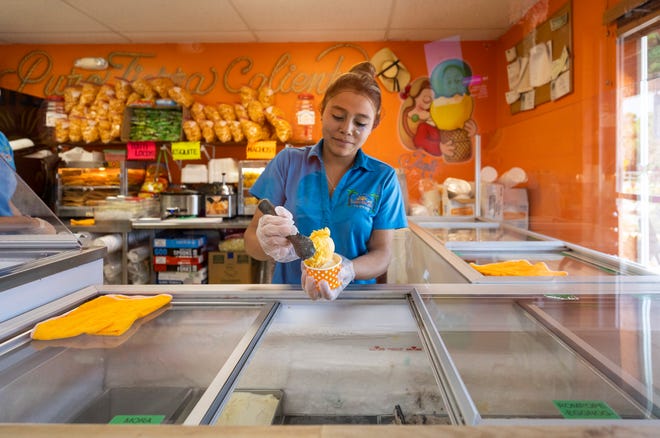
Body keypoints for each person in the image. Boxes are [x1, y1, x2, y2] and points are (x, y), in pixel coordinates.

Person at [244, 62, 408, 300]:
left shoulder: (382, 178)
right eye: (338, 116)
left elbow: (382, 255)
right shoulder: (287, 163)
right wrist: (266, 243)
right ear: (322, 110)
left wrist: (348, 270)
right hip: (291, 300)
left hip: (355, 304)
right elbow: (250, 243)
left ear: (375, 125)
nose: (347, 129)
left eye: (360, 123)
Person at [0, 131, 56, 234]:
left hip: (8, 240)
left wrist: (19, 218)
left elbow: (5, 196)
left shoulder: (1, 139)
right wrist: (29, 223)